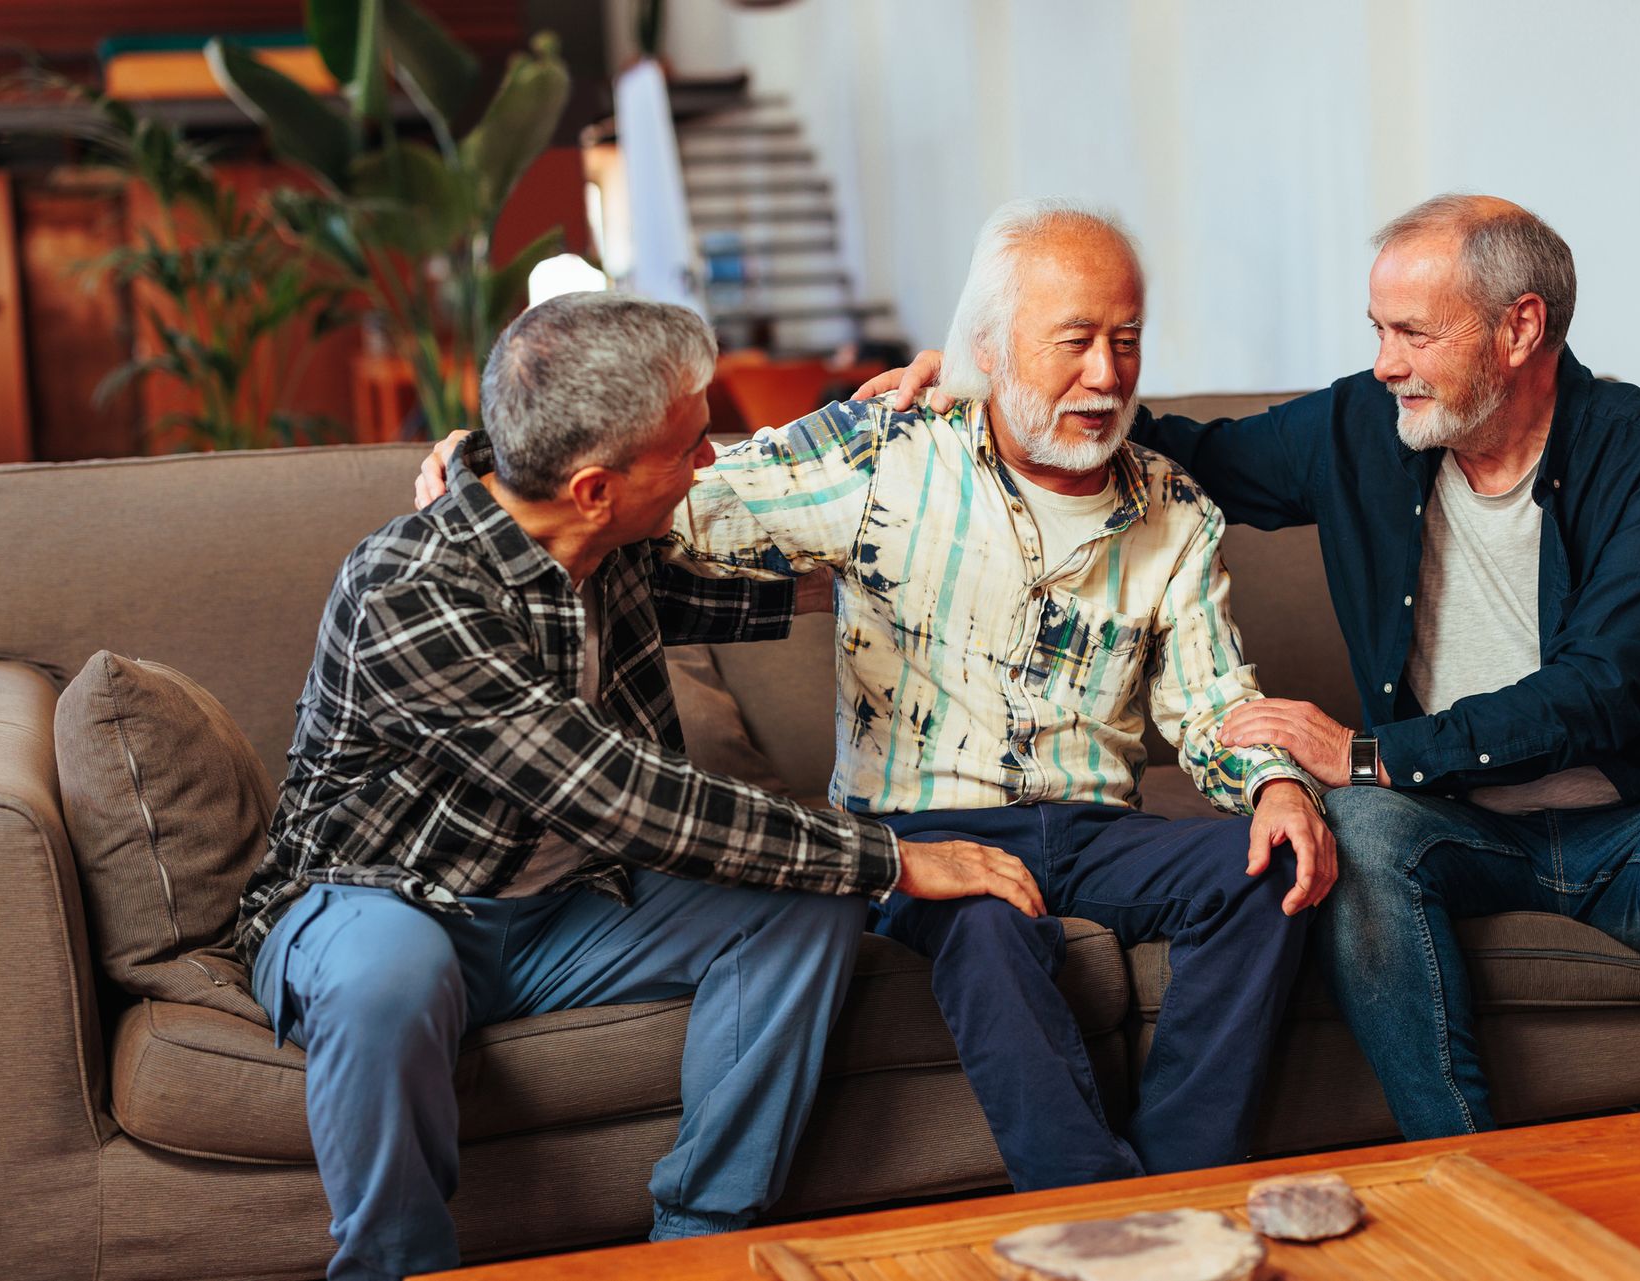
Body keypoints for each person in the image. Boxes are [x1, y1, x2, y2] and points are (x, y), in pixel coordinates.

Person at [420, 199, 1336, 1192]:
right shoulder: (884, 453)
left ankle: (1183, 1193)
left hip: (1092, 825)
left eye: (1127, 341)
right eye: (1074, 342)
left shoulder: (1175, 511)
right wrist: (505, 465)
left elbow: (1210, 704)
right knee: (984, 930)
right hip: (922, 826)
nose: (1108, 375)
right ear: (988, 345)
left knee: (1267, 871)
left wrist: (1275, 787)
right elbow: (671, 504)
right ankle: (1097, 1213)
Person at [868, 193, 1640, 1139]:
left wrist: (1370, 754)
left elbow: (1600, 689)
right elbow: (1186, 456)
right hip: (1451, 822)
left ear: (1521, 327)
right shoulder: (1368, 423)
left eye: (1413, 332)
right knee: (1352, 831)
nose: (1384, 361)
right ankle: (1465, 1168)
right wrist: (992, 386)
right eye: (1378, 329)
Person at [240, 293, 1042, 1281]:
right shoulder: (411, 591)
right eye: (687, 448)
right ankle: (391, 1269)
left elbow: (797, 572)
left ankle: (701, 1246)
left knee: (806, 908)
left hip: (566, 913)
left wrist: (921, 428)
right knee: (387, 978)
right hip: (377, 899)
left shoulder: (603, 543)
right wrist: (890, 858)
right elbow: (632, 799)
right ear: (591, 487)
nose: (707, 462)